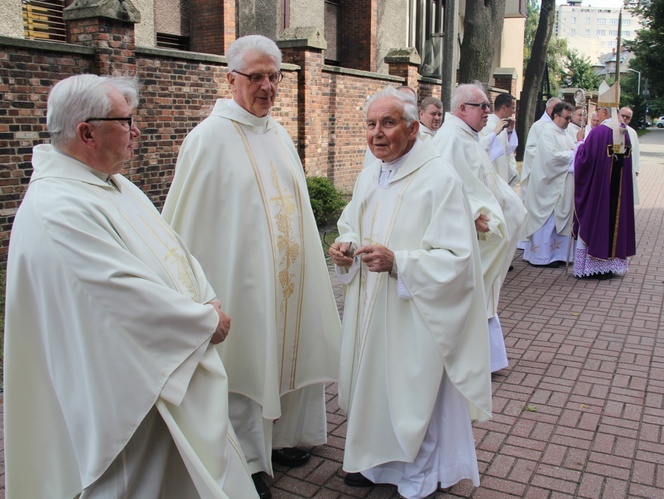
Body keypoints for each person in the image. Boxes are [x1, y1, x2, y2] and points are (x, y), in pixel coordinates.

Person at [3, 74, 257, 498]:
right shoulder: (58, 206)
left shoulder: (115, 185)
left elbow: (173, 248)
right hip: (124, 392)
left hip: (157, 371)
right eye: (125, 121)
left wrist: (206, 294)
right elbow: (117, 294)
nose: (136, 130)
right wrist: (201, 321)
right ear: (87, 132)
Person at [162, 35, 341, 499]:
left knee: (287, 351)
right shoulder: (207, 139)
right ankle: (247, 461)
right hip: (238, 281)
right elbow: (183, 223)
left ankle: (284, 439)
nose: (266, 87)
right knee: (245, 362)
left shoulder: (278, 134)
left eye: (273, 77)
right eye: (255, 76)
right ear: (230, 79)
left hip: (286, 281)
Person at [329, 86, 492, 499]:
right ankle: (375, 463)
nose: (377, 134)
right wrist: (344, 246)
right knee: (374, 389)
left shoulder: (439, 178)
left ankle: (415, 477)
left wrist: (399, 262)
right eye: (370, 124)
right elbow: (352, 222)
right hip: (371, 305)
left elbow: (457, 258)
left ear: (414, 128)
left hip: (415, 313)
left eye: (388, 123)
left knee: (411, 395)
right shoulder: (372, 173)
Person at [433, 83, 527, 373]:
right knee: (472, 297)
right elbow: (442, 185)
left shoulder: (468, 136)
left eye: (488, 106)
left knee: (483, 297)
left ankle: (487, 360)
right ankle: (469, 361)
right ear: (462, 109)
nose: (489, 111)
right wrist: (471, 213)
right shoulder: (449, 139)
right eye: (483, 106)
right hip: (468, 234)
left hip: (484, 235)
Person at [573, 107, 637, 279]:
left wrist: (579, 143)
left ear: (603, 113)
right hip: (618, 192)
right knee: (614, 220)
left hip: (599, 192)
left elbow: (584, 161)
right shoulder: (625, 133)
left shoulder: (598, 133)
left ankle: (590, 267)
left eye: (599, 112)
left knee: (596, 218)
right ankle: (610, 266)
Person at [523, 102, 582, 267]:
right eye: (567, 117)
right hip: (548, 185)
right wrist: (574, 152)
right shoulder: (547, 133)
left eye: (570, 118)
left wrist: (577, 147)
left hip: (560, 183)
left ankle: (558, 255)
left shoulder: (564, 134)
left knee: (557, 221)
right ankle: (542, 257)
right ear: (556, 115)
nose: (569, 121)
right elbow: (551, 158)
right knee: (548, 220)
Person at [519, 97, 560, 203]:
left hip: (555, 172)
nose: (558, 111)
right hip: (542, 173)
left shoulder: (560, 127)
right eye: (555, 108)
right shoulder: (538, 126)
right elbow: (531, 150)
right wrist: (549, 157)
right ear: (547, 109)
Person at [481, 92, 519, 186]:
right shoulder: (489, 125)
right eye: (513, 108)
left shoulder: (503, 124)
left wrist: (510, 130)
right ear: (504, 108)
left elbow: (509, 149)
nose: (514, 111)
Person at [620, 106, 642, 204]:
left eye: (627, 117)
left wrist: (636, 169)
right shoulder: (610, 129)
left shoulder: (632, 132)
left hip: (628, 168)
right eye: (623, 115)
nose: (624, 118)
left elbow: (636, 151)